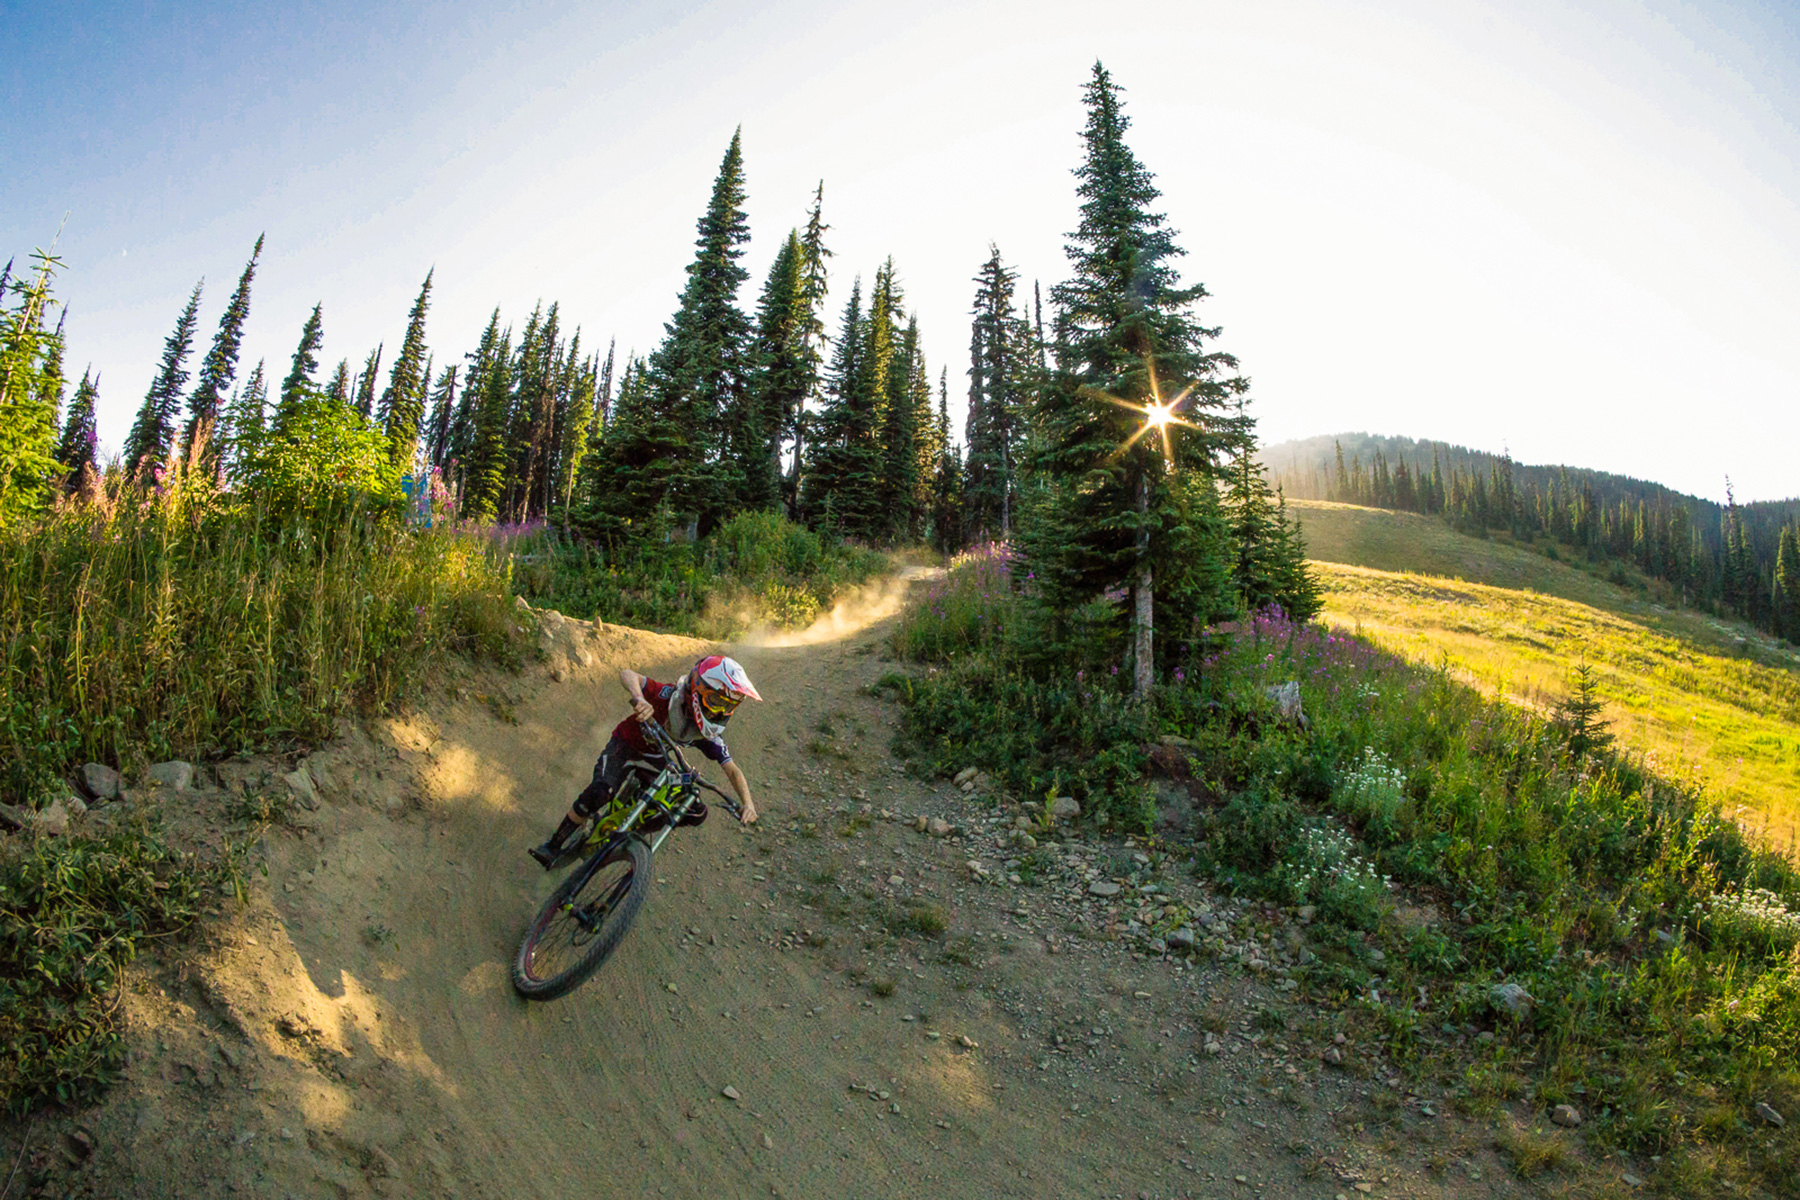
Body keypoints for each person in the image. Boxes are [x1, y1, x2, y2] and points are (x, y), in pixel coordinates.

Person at [530, 654, 762, 868]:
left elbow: (732, 770)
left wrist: (748, 804)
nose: (721, 711)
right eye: (716, 701)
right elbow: (627, 674)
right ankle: (553, 846)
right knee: (601, 791)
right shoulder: (668, 697)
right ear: (698, 689)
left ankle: (630, 830)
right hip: (625, 745)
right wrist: (640, 699)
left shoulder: (706, 735)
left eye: (728, 706)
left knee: (696, 811)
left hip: (656, 761)